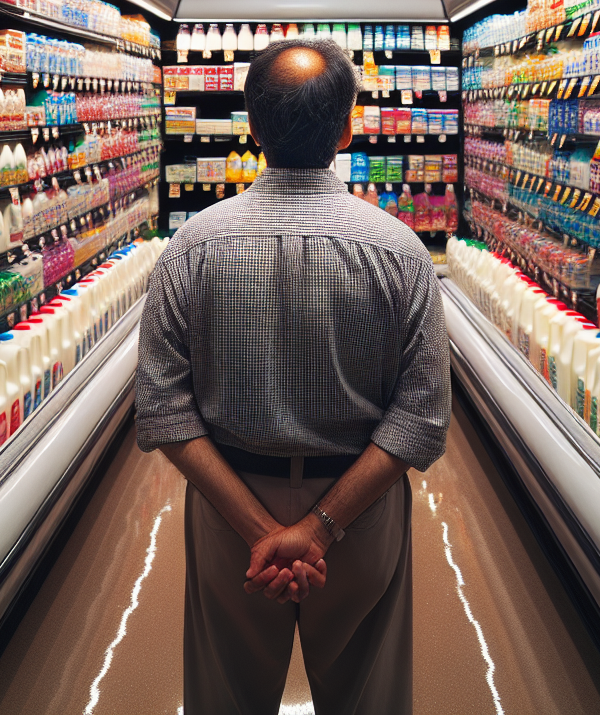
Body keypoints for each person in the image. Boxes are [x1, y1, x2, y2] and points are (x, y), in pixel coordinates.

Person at [136, 38, 451, 715]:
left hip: (229, 508)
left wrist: (258, 530)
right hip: (361, 510)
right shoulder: (401, 252)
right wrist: (321, 529)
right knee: (370, 691)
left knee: (225, 694)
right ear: (348, 126)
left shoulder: (192, 248)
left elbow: (163, 408)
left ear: (252, 126)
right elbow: (422, 419)